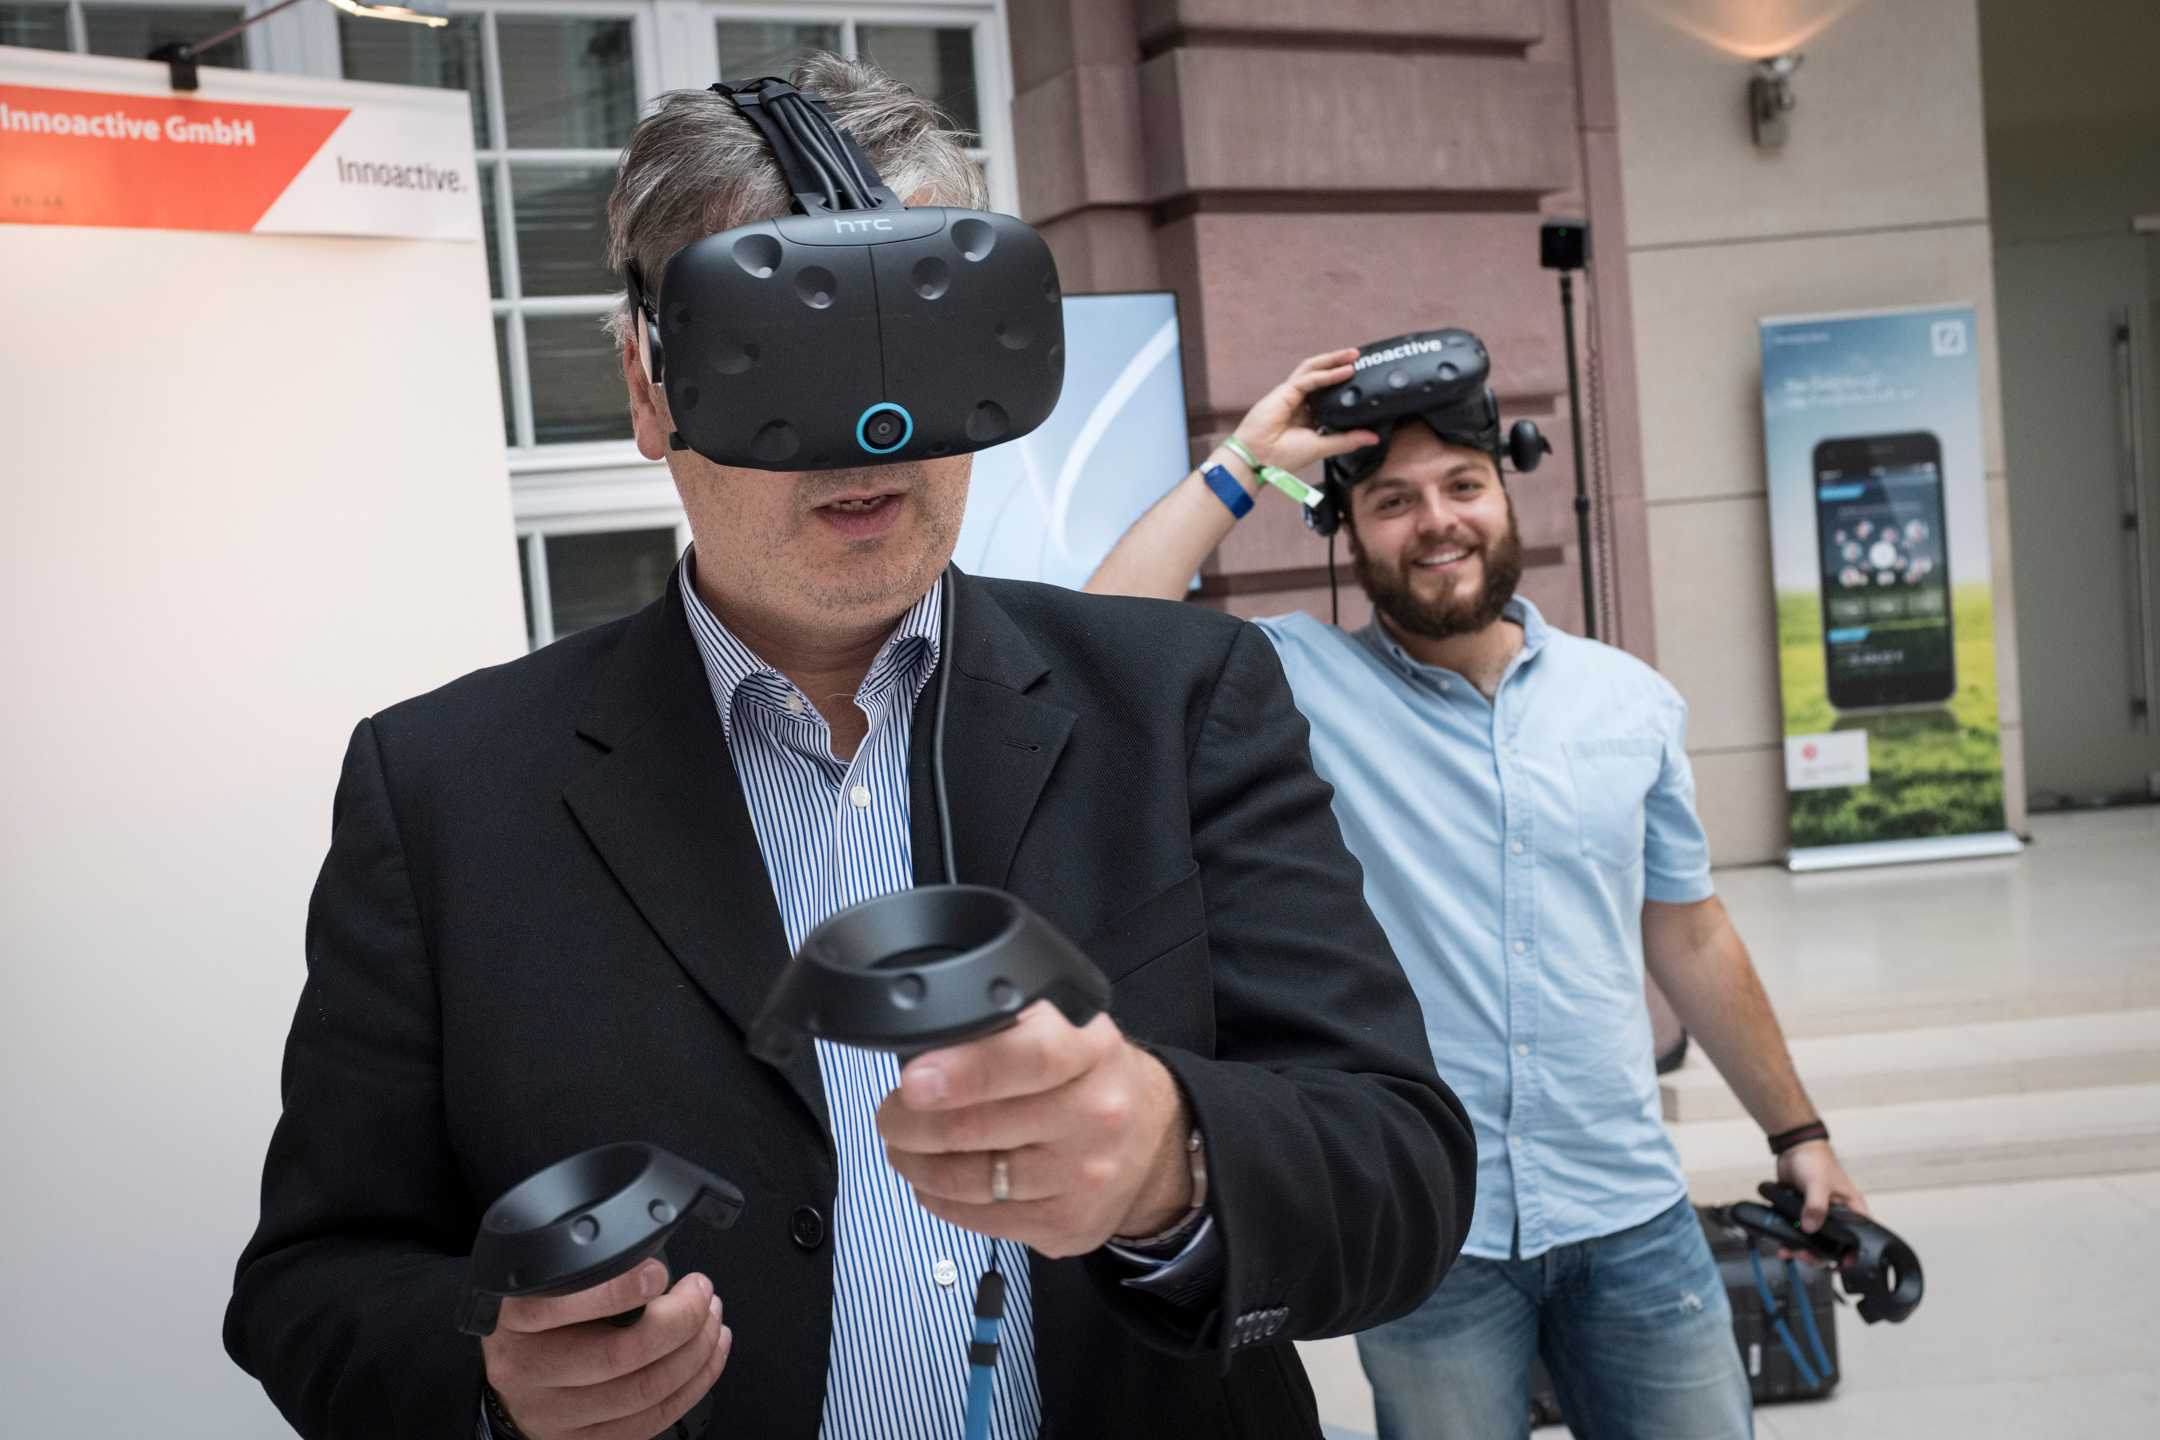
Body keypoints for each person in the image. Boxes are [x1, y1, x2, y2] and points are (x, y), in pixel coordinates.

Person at [223, 59, 1475, 1440]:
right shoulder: (446, 792)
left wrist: (1170, 1167)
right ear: (651, 388)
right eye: (776, 356)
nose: (862, 439)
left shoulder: (1180, 705)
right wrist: (490, 1376)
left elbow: (1401, 1173)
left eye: (917, 345)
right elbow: (313, 1283)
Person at [1087, 342, 1870, 1440]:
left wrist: (1801, 1131)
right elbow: (1106, 634)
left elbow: (1689, 936)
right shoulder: (1297, 685)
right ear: (1343, 533)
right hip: (1432, 1243)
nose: (1437, 522)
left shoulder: (1628, 701)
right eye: (1394, 501)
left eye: (1463, 485)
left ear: (1509, 489)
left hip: (1634, 1214)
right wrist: (1248, 460)